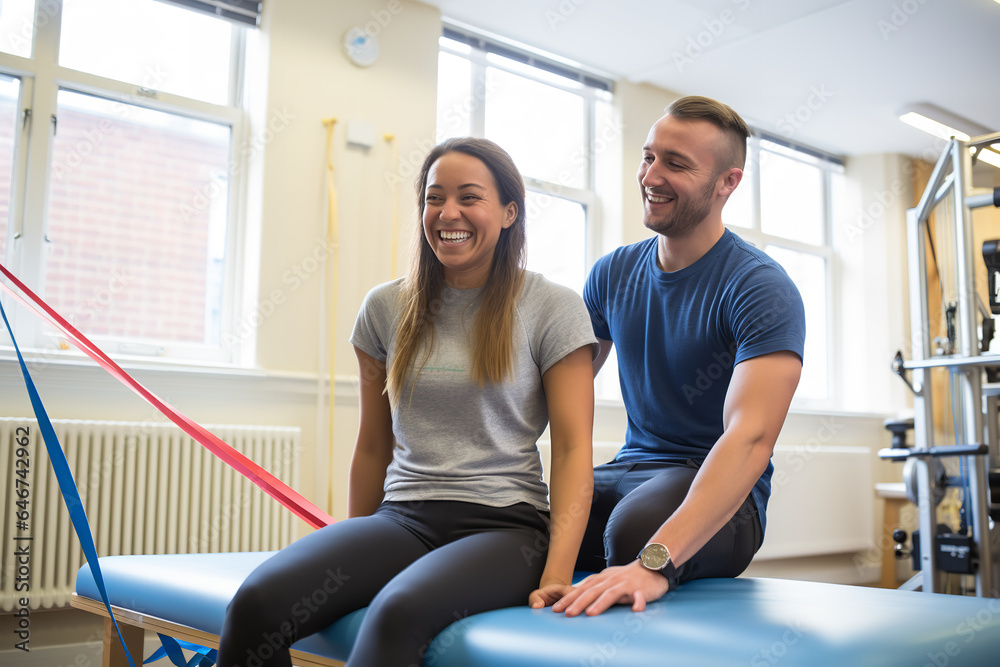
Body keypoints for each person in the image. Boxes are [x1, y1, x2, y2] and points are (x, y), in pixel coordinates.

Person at [216, 137, 597, 667]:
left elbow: (575, 449)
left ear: (510, 213)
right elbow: (374, 445)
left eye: (470, 197)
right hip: (403, 518)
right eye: (434, 198)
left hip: (505, 527)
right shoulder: (384, 308)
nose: (448, 213)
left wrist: (557, 572)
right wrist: (353, 546)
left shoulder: (553, 308)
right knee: (255, 605)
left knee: (396, 613)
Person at [551, 96, 806, 618]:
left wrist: (654, 564)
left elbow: (749, 439)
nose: (652, 175)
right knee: (530, 518)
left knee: (633, 535)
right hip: (630, 469)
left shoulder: (759, 287)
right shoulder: (611, 273)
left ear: (727, 183)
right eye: (649, 157)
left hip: (720, 492)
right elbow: (556, 393)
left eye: (676, 164)